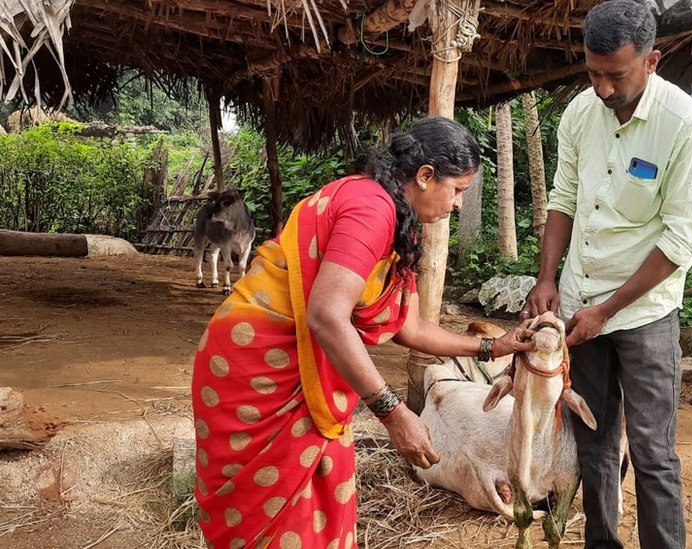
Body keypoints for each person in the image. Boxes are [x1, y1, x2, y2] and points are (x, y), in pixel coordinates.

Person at [191, 116, 533, 549]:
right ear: (426, 177)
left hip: (298, 375)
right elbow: (327, 316)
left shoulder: (398, 223)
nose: (459, 205)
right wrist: (394, 414)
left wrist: (490, 346)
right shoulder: (370, 208)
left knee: (319, 492)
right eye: (458, 190)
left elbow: (407, 327)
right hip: (256, 369)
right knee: (264, 517)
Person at [521, 2, 692, 548]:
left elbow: (680, 241)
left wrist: (607, 310)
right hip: (581, 302)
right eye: (593, 73)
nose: (603, 89)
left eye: (616, 75)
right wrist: (547, 279)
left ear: (652, 60)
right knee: (594, 440)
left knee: (654, 453)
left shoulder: (688, 130)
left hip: (644, 314)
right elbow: (563, 199)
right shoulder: (580, 114)